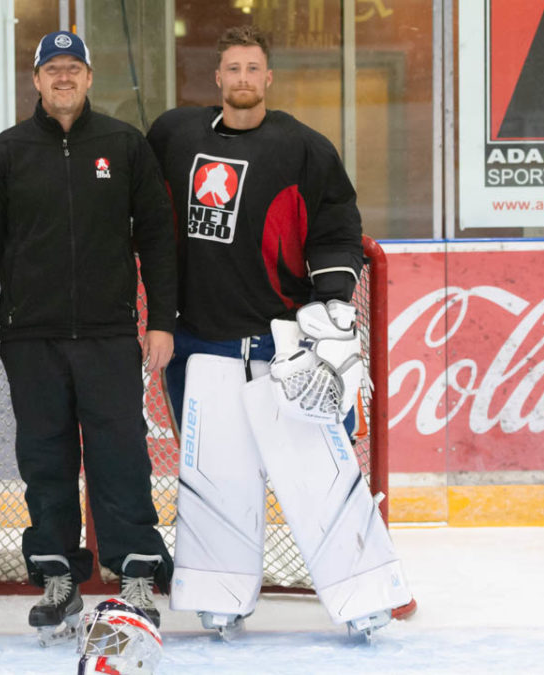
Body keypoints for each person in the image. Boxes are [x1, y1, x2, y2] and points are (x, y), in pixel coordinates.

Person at [146, 25, 412, 638]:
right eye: (231, 68)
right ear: (217, 78)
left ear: (268, 78)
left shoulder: (304, 148)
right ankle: (221, 592)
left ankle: (363, 592)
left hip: (281, 347)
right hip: (203, 344)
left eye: (252, 69)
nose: (242, 79)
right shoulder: (175, 135)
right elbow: (139, 200)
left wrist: (333, 302)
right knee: (216, 477)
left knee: (319, 474)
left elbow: (339, 227)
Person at [0, 30, 176, 640]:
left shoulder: (124, 144)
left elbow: (158, 238)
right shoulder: (6, 152)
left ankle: (135, 572)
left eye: (72, 68)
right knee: (45, 460)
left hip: (109, 335)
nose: (62, 78)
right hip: (31, 338)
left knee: (121, 457)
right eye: (51, 68)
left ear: (88, 77)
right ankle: (58, 578)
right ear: (35, 80)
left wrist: (161, 320)